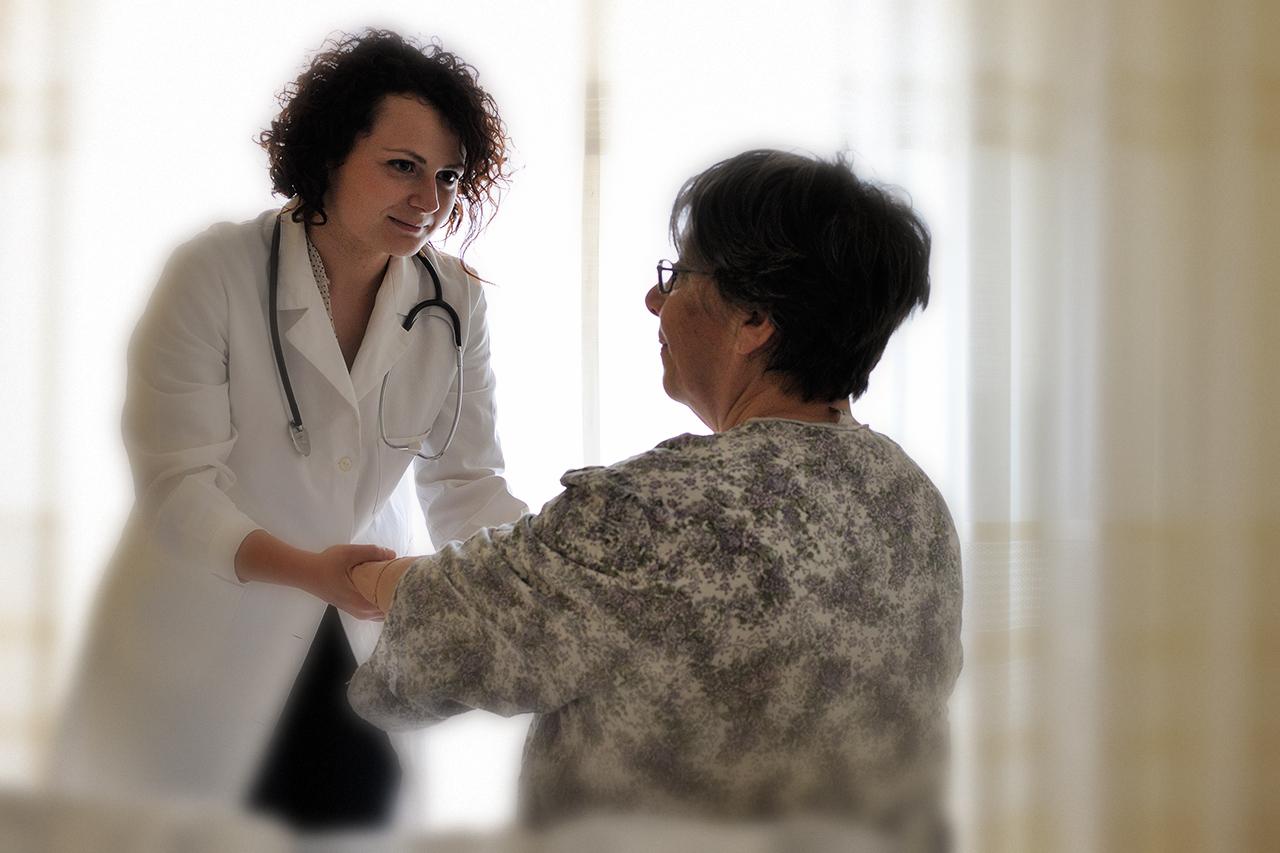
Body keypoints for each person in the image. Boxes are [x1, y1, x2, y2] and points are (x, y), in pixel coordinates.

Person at [346, 150, 964, 846]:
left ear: (754, 317)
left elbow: (429, 653)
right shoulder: (911, 501)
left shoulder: (656, 510)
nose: (653, 299)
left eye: (677, 275)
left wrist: (345, 570)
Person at [52, 31, 528, 831]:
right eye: (402, 165)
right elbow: (177, 486)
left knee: (350, 819)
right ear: (329, 153)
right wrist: (310, 570)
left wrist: (544, 577)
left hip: (349, 636)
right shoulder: (214, 271)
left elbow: (467, 481)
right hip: (203, 631)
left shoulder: (453, 302)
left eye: (447, 176)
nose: (429, 198)